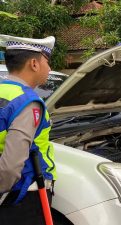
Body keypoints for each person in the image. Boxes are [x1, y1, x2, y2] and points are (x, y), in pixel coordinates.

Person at [0, 35, 57, 225]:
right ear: (34, 63)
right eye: (47, 62)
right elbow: (9, 167)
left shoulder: (3, 91)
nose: (49, 68)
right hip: (25, 195)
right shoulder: (27, 102)